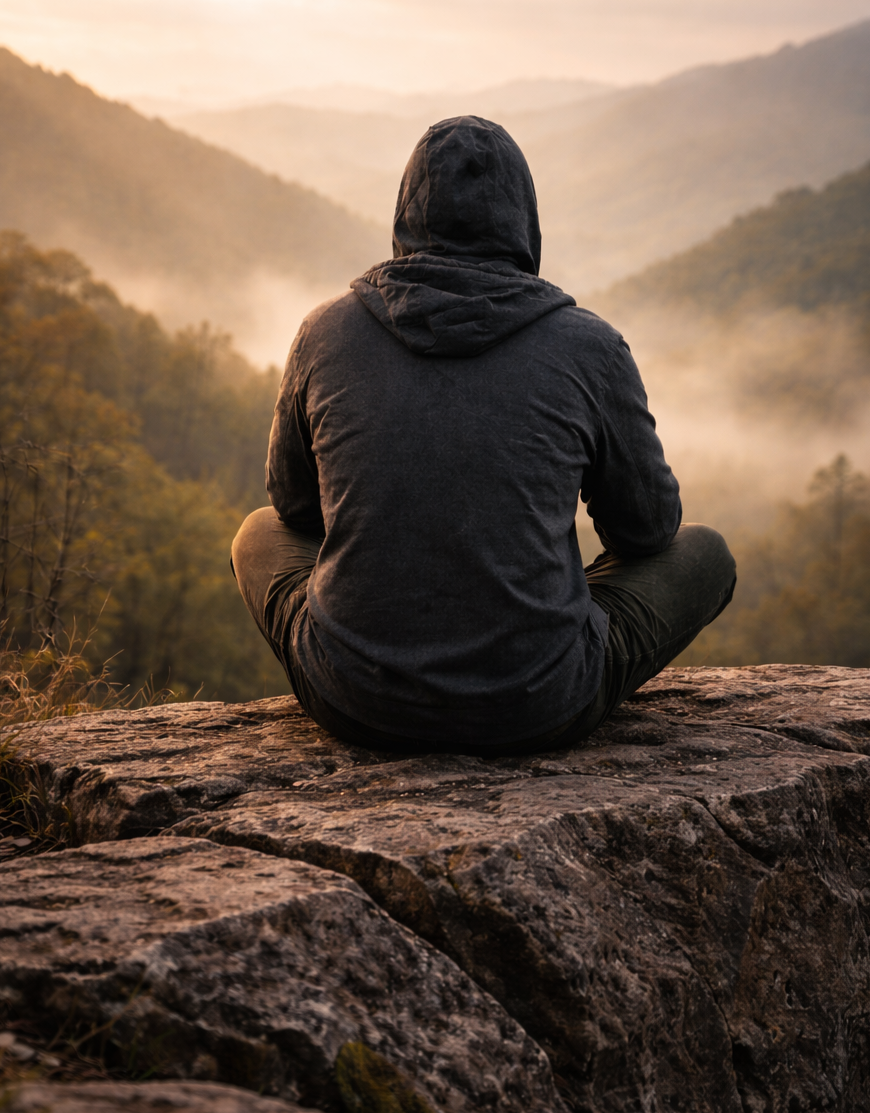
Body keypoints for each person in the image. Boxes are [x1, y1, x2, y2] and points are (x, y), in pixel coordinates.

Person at [232, 115, 735, 754]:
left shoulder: (324, 333)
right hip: (538, 706)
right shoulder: (589, 347)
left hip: (354, 699)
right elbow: (648, 531)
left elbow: (294, 508)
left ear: (406, 214)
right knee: (706, 553)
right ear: (523, 220)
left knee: (257, 533)